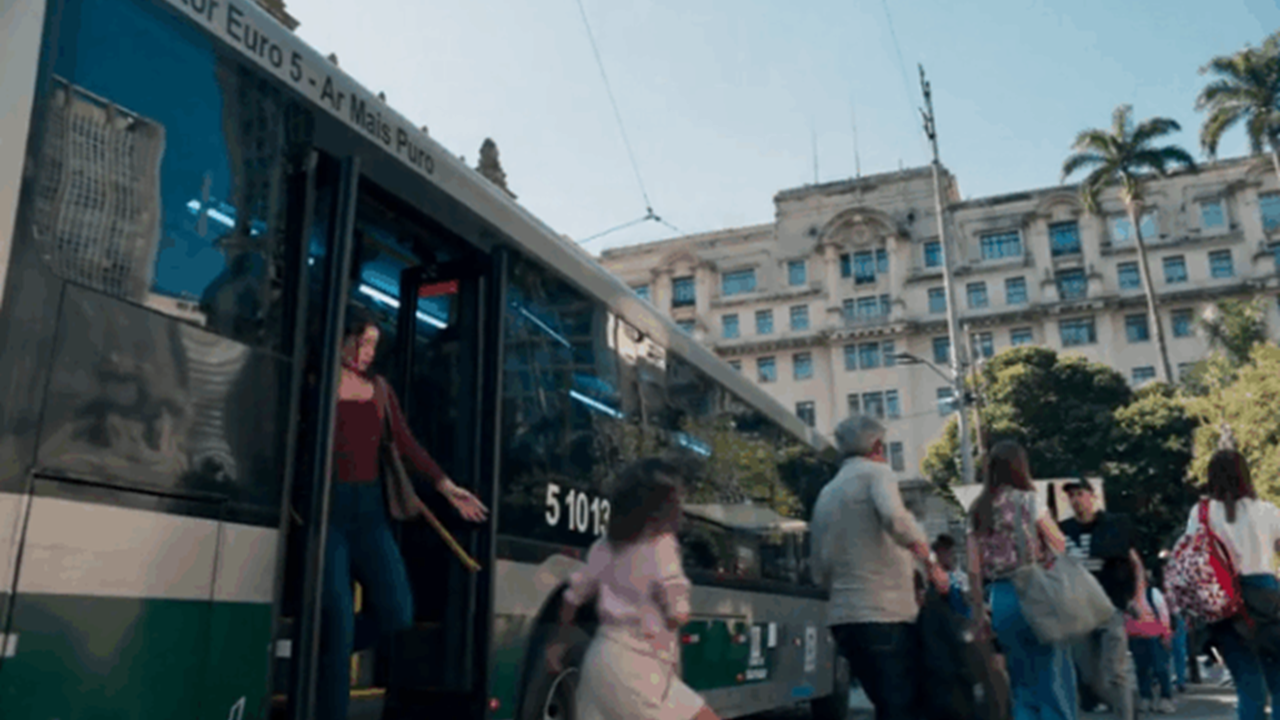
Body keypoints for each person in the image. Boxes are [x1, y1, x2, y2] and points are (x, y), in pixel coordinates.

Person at [319, 305, 488, 720]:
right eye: (362, 342)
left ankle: (322, 648)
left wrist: (447, 488)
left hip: (370, 511)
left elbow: (408, 445)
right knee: (339, 621)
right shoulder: (318, 381)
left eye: (374, 344)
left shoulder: (379, 389)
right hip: (327, 513)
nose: (368, 352)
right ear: (343, 338)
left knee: (398, 608)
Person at [545, 457, 719, 720]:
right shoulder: (661, 545)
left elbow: (573, 597)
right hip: (640, 668)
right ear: (664, 505)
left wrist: (557, 645)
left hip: (601, 659)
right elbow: (677, 612)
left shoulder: (604, 545)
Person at [810, 415, 948, 720]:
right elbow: (896, 519)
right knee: (902, 704)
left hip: (844, 620)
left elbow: (818, 568)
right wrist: (930, 562)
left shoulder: (827, 492)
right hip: (884, 613)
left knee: (886, 701)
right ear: (876, 445)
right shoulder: (876, 473)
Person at [967, 440, 1077, 720]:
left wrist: (979, 614)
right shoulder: (1030, 501)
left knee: (1021, 684)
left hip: (1002, 598)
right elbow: (1059, 544)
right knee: (1053, 682)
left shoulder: (979, 509)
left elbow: (973, 569)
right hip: (1036, 592)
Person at [1188, 449, 1280, 720]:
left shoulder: (1202, 513)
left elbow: (1194, 558)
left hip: (1223, 601)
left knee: (1248, 684)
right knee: (1277, 681)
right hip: (1265, 595)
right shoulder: (1267, 511)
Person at [1059, 479, 1138, 720]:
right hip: (1078, 611)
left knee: (1116, 671)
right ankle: (1129, 709)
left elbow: (1134, 561)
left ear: (1092, 496)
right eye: (1071, 495)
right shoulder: (1063, 530)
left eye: (1080, 493)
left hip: (1109, 606)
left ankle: (1126, 715)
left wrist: (1137, 597)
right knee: (1089, 677)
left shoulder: (1114, 525)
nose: (1076, 499)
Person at [1126, 571, 1176, 714]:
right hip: (1137, 637)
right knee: (1141, 669)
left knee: (1160, 668)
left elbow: (1163, 613)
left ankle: (1165, 698)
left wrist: (1166, 634)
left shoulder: (1153, 593)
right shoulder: (1130, 595)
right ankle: (1145, 697)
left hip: (1155, 636)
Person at [934, 534, 972, 619]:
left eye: (951, 552)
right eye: (944, 553)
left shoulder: (961, 577)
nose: (950, 556)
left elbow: (969, 600)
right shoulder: (932, 577)